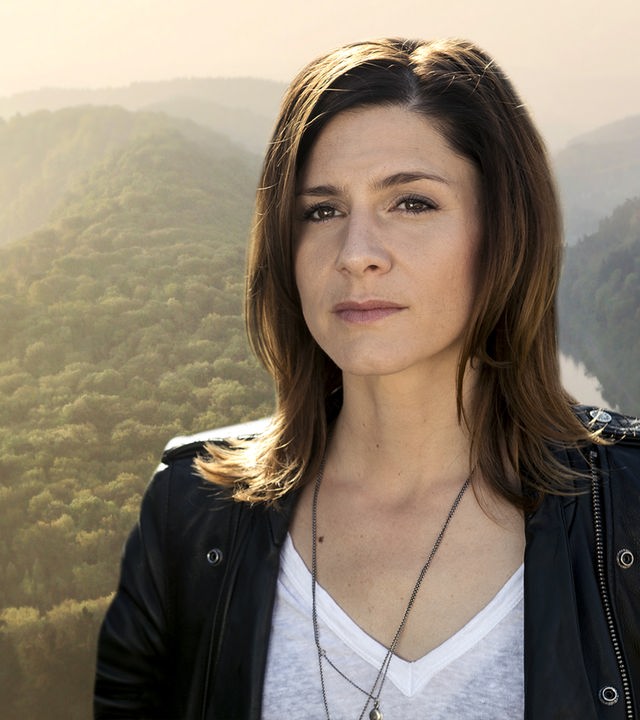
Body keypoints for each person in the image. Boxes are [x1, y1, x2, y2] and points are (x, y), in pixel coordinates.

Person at [94, 38, 640, 720]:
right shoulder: (190, 512)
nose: (356, 255)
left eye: (410, 203)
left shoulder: (627, 509)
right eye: (321, 211)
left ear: (504, 232)